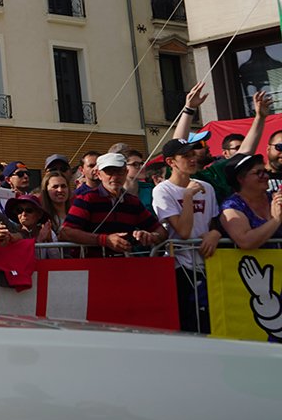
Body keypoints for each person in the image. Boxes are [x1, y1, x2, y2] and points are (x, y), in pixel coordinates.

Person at [153, 138, 221, 333]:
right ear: (171, 162)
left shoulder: (206, 187)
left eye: (193, 155)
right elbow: (183, 232)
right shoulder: (163, 190)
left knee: (212, 323)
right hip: (180, 266)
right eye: (185, 156)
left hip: (209, 264)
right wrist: (188, 196)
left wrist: (216, 233)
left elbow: (213, 223)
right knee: (189, 325)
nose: (192, 159)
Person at [59, 152, 167, 255]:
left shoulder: (133, 202)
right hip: (91, 263)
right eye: (109, 172)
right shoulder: (86, 199)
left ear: (126, 173)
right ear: (99, 174)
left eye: (119, 172)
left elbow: (161, 231)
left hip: (124, 263)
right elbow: (66, 232)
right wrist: (105, 240)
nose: (115, 177)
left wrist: (150, 236)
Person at [220, 153, 282, 249]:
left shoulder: (275, 200)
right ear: (240, 178)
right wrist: (276, 220)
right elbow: (245, 242)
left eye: (265, 171)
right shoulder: (232, 207)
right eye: (259, 173)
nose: (266, 176)